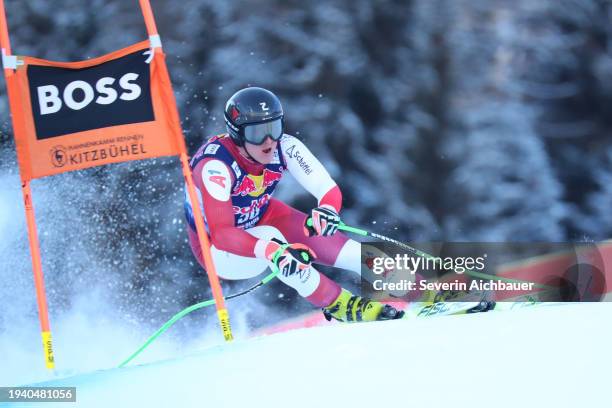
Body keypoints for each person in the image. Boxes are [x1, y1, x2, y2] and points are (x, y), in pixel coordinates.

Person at [184, 87, 404, 322]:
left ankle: (426, 290)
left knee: (345, 249)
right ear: (237, 134)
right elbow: (223, 234)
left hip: (262, 214)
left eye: (274, 128)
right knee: (278, 245)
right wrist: (274, 251)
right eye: (258, 133)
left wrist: (327, 209)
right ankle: (340, 304)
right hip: (219, 251)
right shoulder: (215, 166)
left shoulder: (285, 146)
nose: (268, 141)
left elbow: (325, 187)